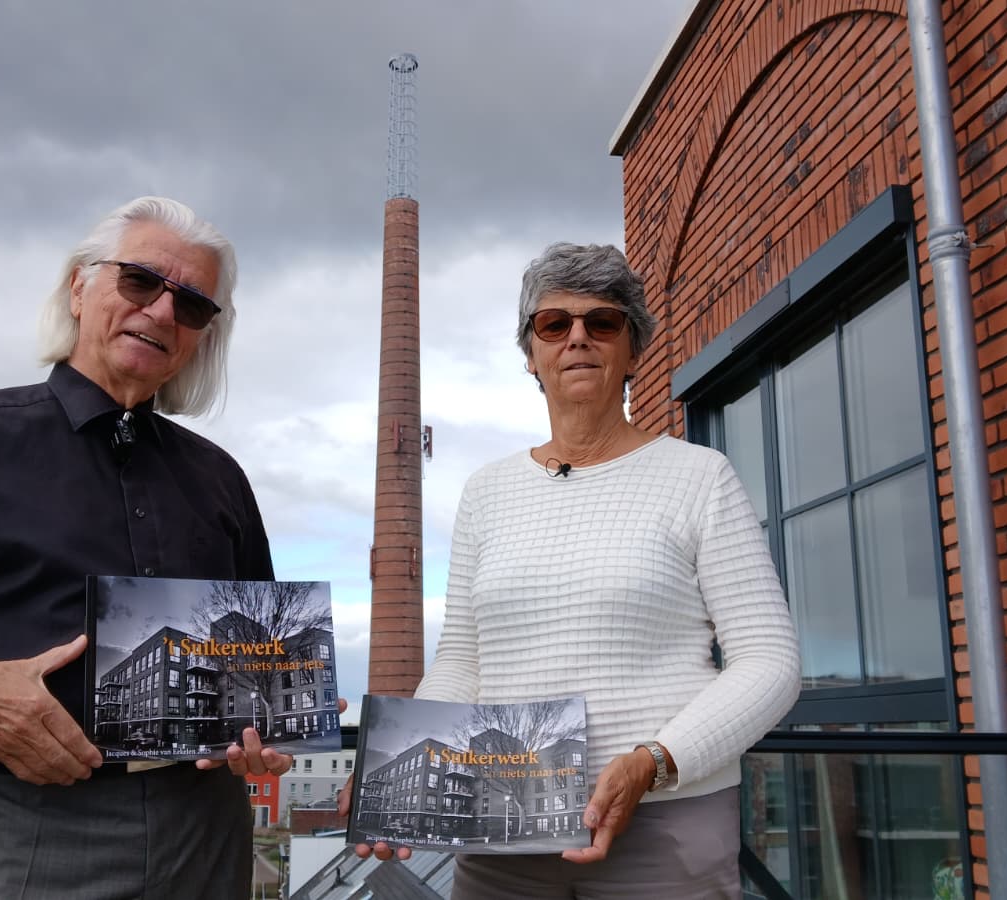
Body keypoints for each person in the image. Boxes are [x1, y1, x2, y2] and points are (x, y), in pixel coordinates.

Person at [0, 196, 298, 899]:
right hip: (21, 825)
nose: (164, 313)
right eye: (140, 281)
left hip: (204, 833)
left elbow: (263, 669)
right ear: (79, 287)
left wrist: (266, 731)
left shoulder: (219, 477)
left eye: (194, 305)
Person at [342, 243, 801, 898]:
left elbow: (770, 660)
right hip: (502, 824)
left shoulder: (699, 478)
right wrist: (394, 770)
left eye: (602, 322)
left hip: (662, 822)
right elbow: (464, 664)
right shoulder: (486, 491)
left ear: (633, 349)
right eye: (554, 324)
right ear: (531, 355)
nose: (578, 338)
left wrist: (657, 761)